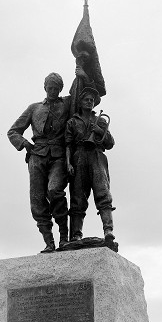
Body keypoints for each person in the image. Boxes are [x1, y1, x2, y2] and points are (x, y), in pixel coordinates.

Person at [7, 73, 71, 253]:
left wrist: (80, 67)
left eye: (56, 88)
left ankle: (64, 238)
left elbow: (80, 90)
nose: (52, 91)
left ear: (60, 89)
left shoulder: (66, 104)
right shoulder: (34, 108)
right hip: (37, 156)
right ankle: (49, 243)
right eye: (49, 88)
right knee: (37, 200)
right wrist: (25, 144)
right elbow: (13, 131)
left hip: (58, 155)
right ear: (45, 88)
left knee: (54, 190)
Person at [65, 86, 116, 244]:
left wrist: (100, 130)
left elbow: (111, 143)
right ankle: (76, 235)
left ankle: (108, 230)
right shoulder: (72, 121)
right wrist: (68, 163)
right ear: (80, 102)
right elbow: (67, 144)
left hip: (97, 156)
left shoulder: (99, 120)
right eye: (86, 99)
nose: (89, 102)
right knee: (78, 197)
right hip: (79, 157)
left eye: (91, 100)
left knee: (103, 193)